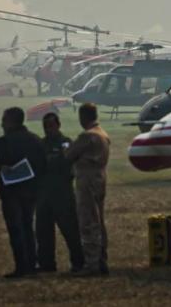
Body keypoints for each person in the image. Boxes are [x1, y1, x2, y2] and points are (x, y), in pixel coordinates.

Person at [0, 107, 47, 278]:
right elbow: (43, 164)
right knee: (28, 226)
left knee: (16, 228)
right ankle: (32, 263)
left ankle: (21, 266)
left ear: (10, 122)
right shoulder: (35, 140)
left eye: (4, 120)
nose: (1, 124)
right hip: (31, 190)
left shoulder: (6, 141)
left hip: (11, 191)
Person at [65, 103, 111, 277]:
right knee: (99, 220)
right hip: (100, 178)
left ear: (83, 117)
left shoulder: (87, 136)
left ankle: (91, 264)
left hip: (86, 180)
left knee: (88, 221)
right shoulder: (103, 134)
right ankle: (101, 259)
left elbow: (69, 154)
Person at [35, 112, 84, 273]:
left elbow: (67, 164)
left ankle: (78, 262)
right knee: (43, 232)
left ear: (58, 125)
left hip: (63, 194)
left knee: (71, 231)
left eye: (51, 125)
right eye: (45, 126)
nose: (48, 129)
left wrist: (50, 164)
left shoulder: (66, 143)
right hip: (44, 195)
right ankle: (46, 264)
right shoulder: (40, 145)